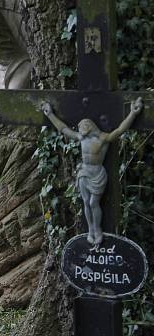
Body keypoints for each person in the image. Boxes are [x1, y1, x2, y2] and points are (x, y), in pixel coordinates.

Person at [41, 97, 143, 246]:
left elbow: (120, 130)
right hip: (84, 172)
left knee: (93, 202)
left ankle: (98, 229)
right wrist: (50, 114)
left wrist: (133, 114)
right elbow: (63, 129)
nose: (80, 128)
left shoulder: (102, 138)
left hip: (97, 174)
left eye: (83, 126)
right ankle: (91, 230)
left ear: (89, 126)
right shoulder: (81, 138)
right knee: (86, 203)